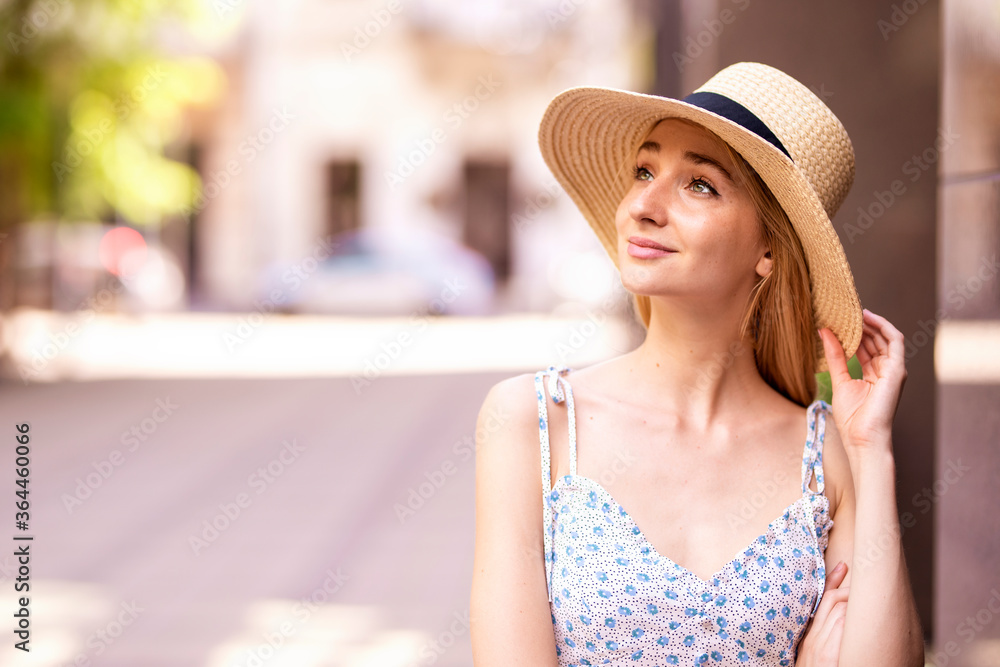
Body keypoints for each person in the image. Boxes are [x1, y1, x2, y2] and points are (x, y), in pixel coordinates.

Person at [469, 62, 924, 666]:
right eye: (644, 170)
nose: (644, 206)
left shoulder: (829, 453)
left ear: (769, 246)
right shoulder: (536, 422)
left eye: (700, 185)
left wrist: (873, 451)